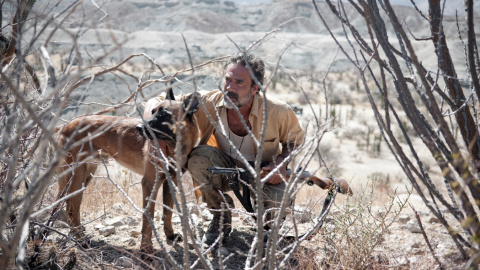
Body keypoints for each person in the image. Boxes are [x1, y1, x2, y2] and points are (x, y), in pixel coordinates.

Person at [186, 52, 305, 245]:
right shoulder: (209, 102)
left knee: (276, 205)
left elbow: (296, 141)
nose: (230, 88)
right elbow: (165, 103)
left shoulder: (278, 111)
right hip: (222, 169)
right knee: (198, 158)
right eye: (227, 80)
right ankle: (220, 215)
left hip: (264, 172)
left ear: (255, 88)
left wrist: (281, 163)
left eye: (239, 82)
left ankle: (266, 228)